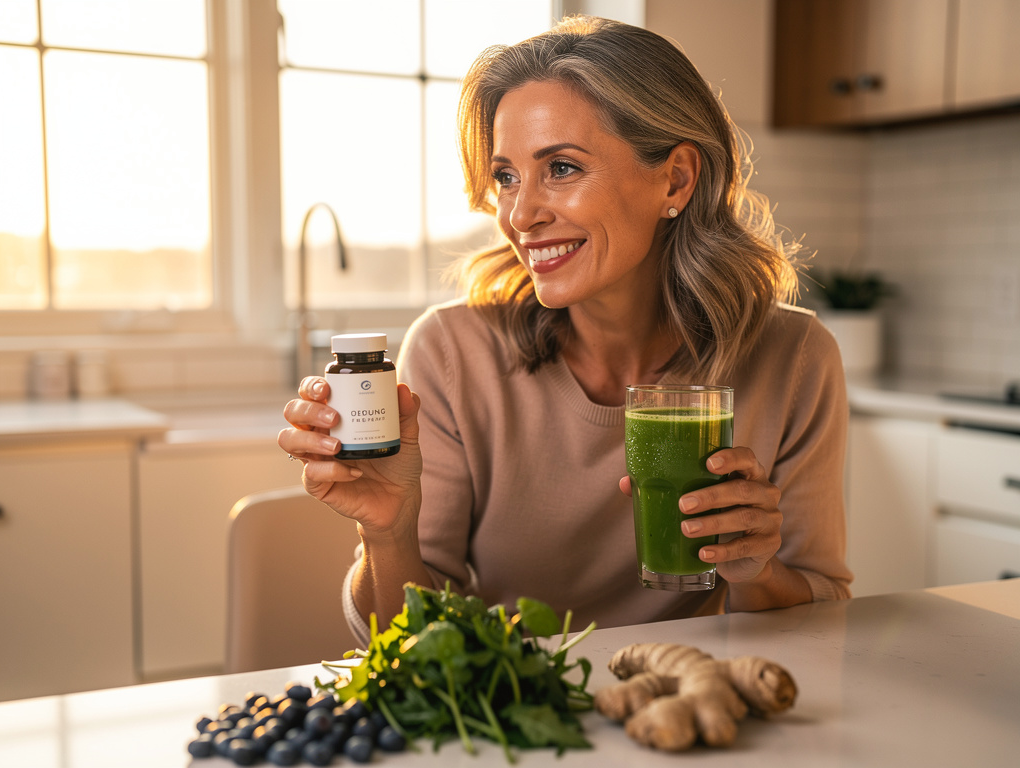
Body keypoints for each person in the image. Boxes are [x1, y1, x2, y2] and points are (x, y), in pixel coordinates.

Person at [279, 15, 853, 645]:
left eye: (562, 168)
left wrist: (757, 571)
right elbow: (408, 645)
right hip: (519, 719)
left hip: (686, 709)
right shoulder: (452, 353)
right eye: (506, 176)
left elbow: (824, 616)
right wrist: (387, 535)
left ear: (676, 178)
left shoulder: (795, 358)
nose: (520, 214)